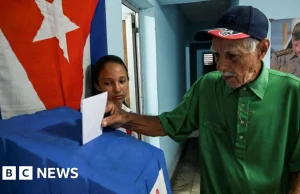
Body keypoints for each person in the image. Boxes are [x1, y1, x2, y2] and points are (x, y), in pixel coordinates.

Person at [101, 6, 300, 194]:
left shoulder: (292, 93)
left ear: (262, 50)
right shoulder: (207, 87)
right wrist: (124, 117)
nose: (221, 66)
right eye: (217, 55)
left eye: (232, 56)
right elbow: (167, 125)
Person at [93, 55, 139, 139]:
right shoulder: (91, 118)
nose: (117, 89)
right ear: (97, 86)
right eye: (108, 83)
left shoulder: (130, 116)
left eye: (122, 81)